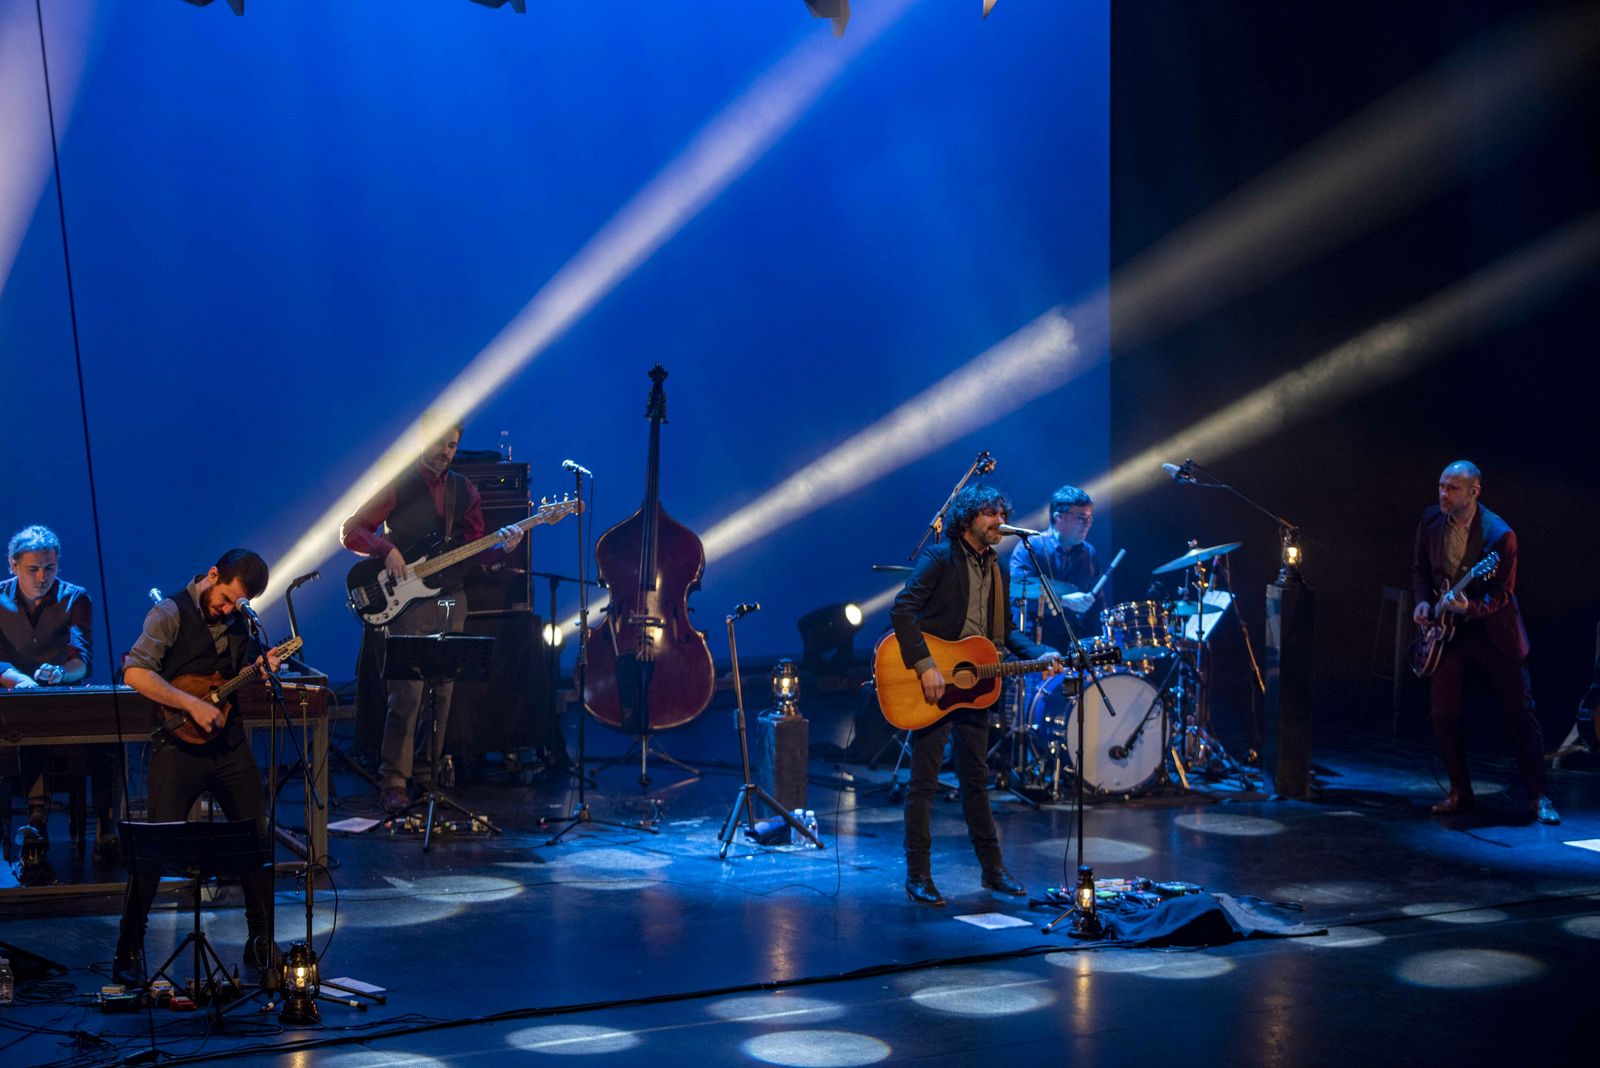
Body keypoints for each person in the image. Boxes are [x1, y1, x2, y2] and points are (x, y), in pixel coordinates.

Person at [113, 549, 284, 987]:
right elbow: (134, 672)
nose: (227, 609)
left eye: (236, 605)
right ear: (212, 575)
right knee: (153, 848)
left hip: (228, 746)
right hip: (178, 746)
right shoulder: (169, 613)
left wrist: (260, 671)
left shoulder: (241, 621)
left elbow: (235, 673)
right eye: (225, 598)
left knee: (255, 840)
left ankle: (261, 940)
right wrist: (189, 702)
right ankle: (129, 949)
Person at [340, 419, 524, 814]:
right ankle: (393, 782)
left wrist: (502, 548)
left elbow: (475, 549)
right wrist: (385, 549)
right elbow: (351, 530)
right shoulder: (399, 482)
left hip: (450, 598)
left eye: (453, 446)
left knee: (441, 695)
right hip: (406, 601)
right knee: (406, 695)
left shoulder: (465, 489)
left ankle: (428, 777)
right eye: (441, 443)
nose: (446, 451)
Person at [890, 484, 1060, 906]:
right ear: (968, 518)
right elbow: (902, 611)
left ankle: (993, 869)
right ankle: (918, 875)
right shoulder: (939, 558)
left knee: (976, 782)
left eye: (1002, 511)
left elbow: (1005, 633)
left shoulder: (997, 569)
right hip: (933, 685)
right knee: (924, 783)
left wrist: (1042, 654)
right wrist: (926, 666)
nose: (997, 520)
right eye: (989, 512)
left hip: (974, 688)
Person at [1411, 461, 1557, 824]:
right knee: (1443, 713)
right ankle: (1460, 792)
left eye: (1453, 488)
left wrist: (1469, 606)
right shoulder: (1430, 520)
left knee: (1520, 714)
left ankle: (1539, 796)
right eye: (1441, 486)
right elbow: (1420, 570)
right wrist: (1424, 600)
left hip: (1493, 632)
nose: (1444, 494)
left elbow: (1502, 595)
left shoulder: (1499, 535)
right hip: (1448, 633)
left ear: (1475, 491)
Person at [0, 525, 118, 862]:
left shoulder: (75, 597)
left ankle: (106, 827)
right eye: (33, 569)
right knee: (29, 724)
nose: (41, 577)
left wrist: (60, 674)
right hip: (15, 708)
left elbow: (81, 660)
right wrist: (19, 680)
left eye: (49, 568)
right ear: (13, 565)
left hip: (65, 703)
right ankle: (36, 820)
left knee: (106, 734)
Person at [1008, 485, 1106, 650]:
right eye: (1081, 517)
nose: (1087, 523)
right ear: (1059, 518)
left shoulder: (1089, 552)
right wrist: (1063, 602)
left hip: (1074, 640)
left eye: (1090, 517)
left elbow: (1098, 605)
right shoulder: (1031, 546)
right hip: (1036, 641)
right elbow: (1017, 596)